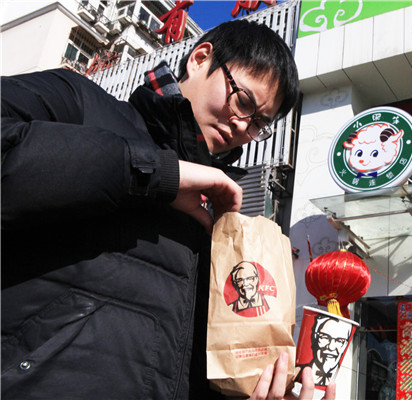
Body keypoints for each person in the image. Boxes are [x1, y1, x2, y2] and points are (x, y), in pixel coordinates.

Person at [1, 19, 333, 400]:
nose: (242, 126)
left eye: (259, 124)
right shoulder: (81, 103)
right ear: (200, 59)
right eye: (243, 102)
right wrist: (156, 174)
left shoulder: (224, 224)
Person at [298, 314, 354, 388]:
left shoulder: (345, 384)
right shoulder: (296, 373)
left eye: (340, 341)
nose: (331, 347)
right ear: (315, 338)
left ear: (345, 344)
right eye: (325, 337)